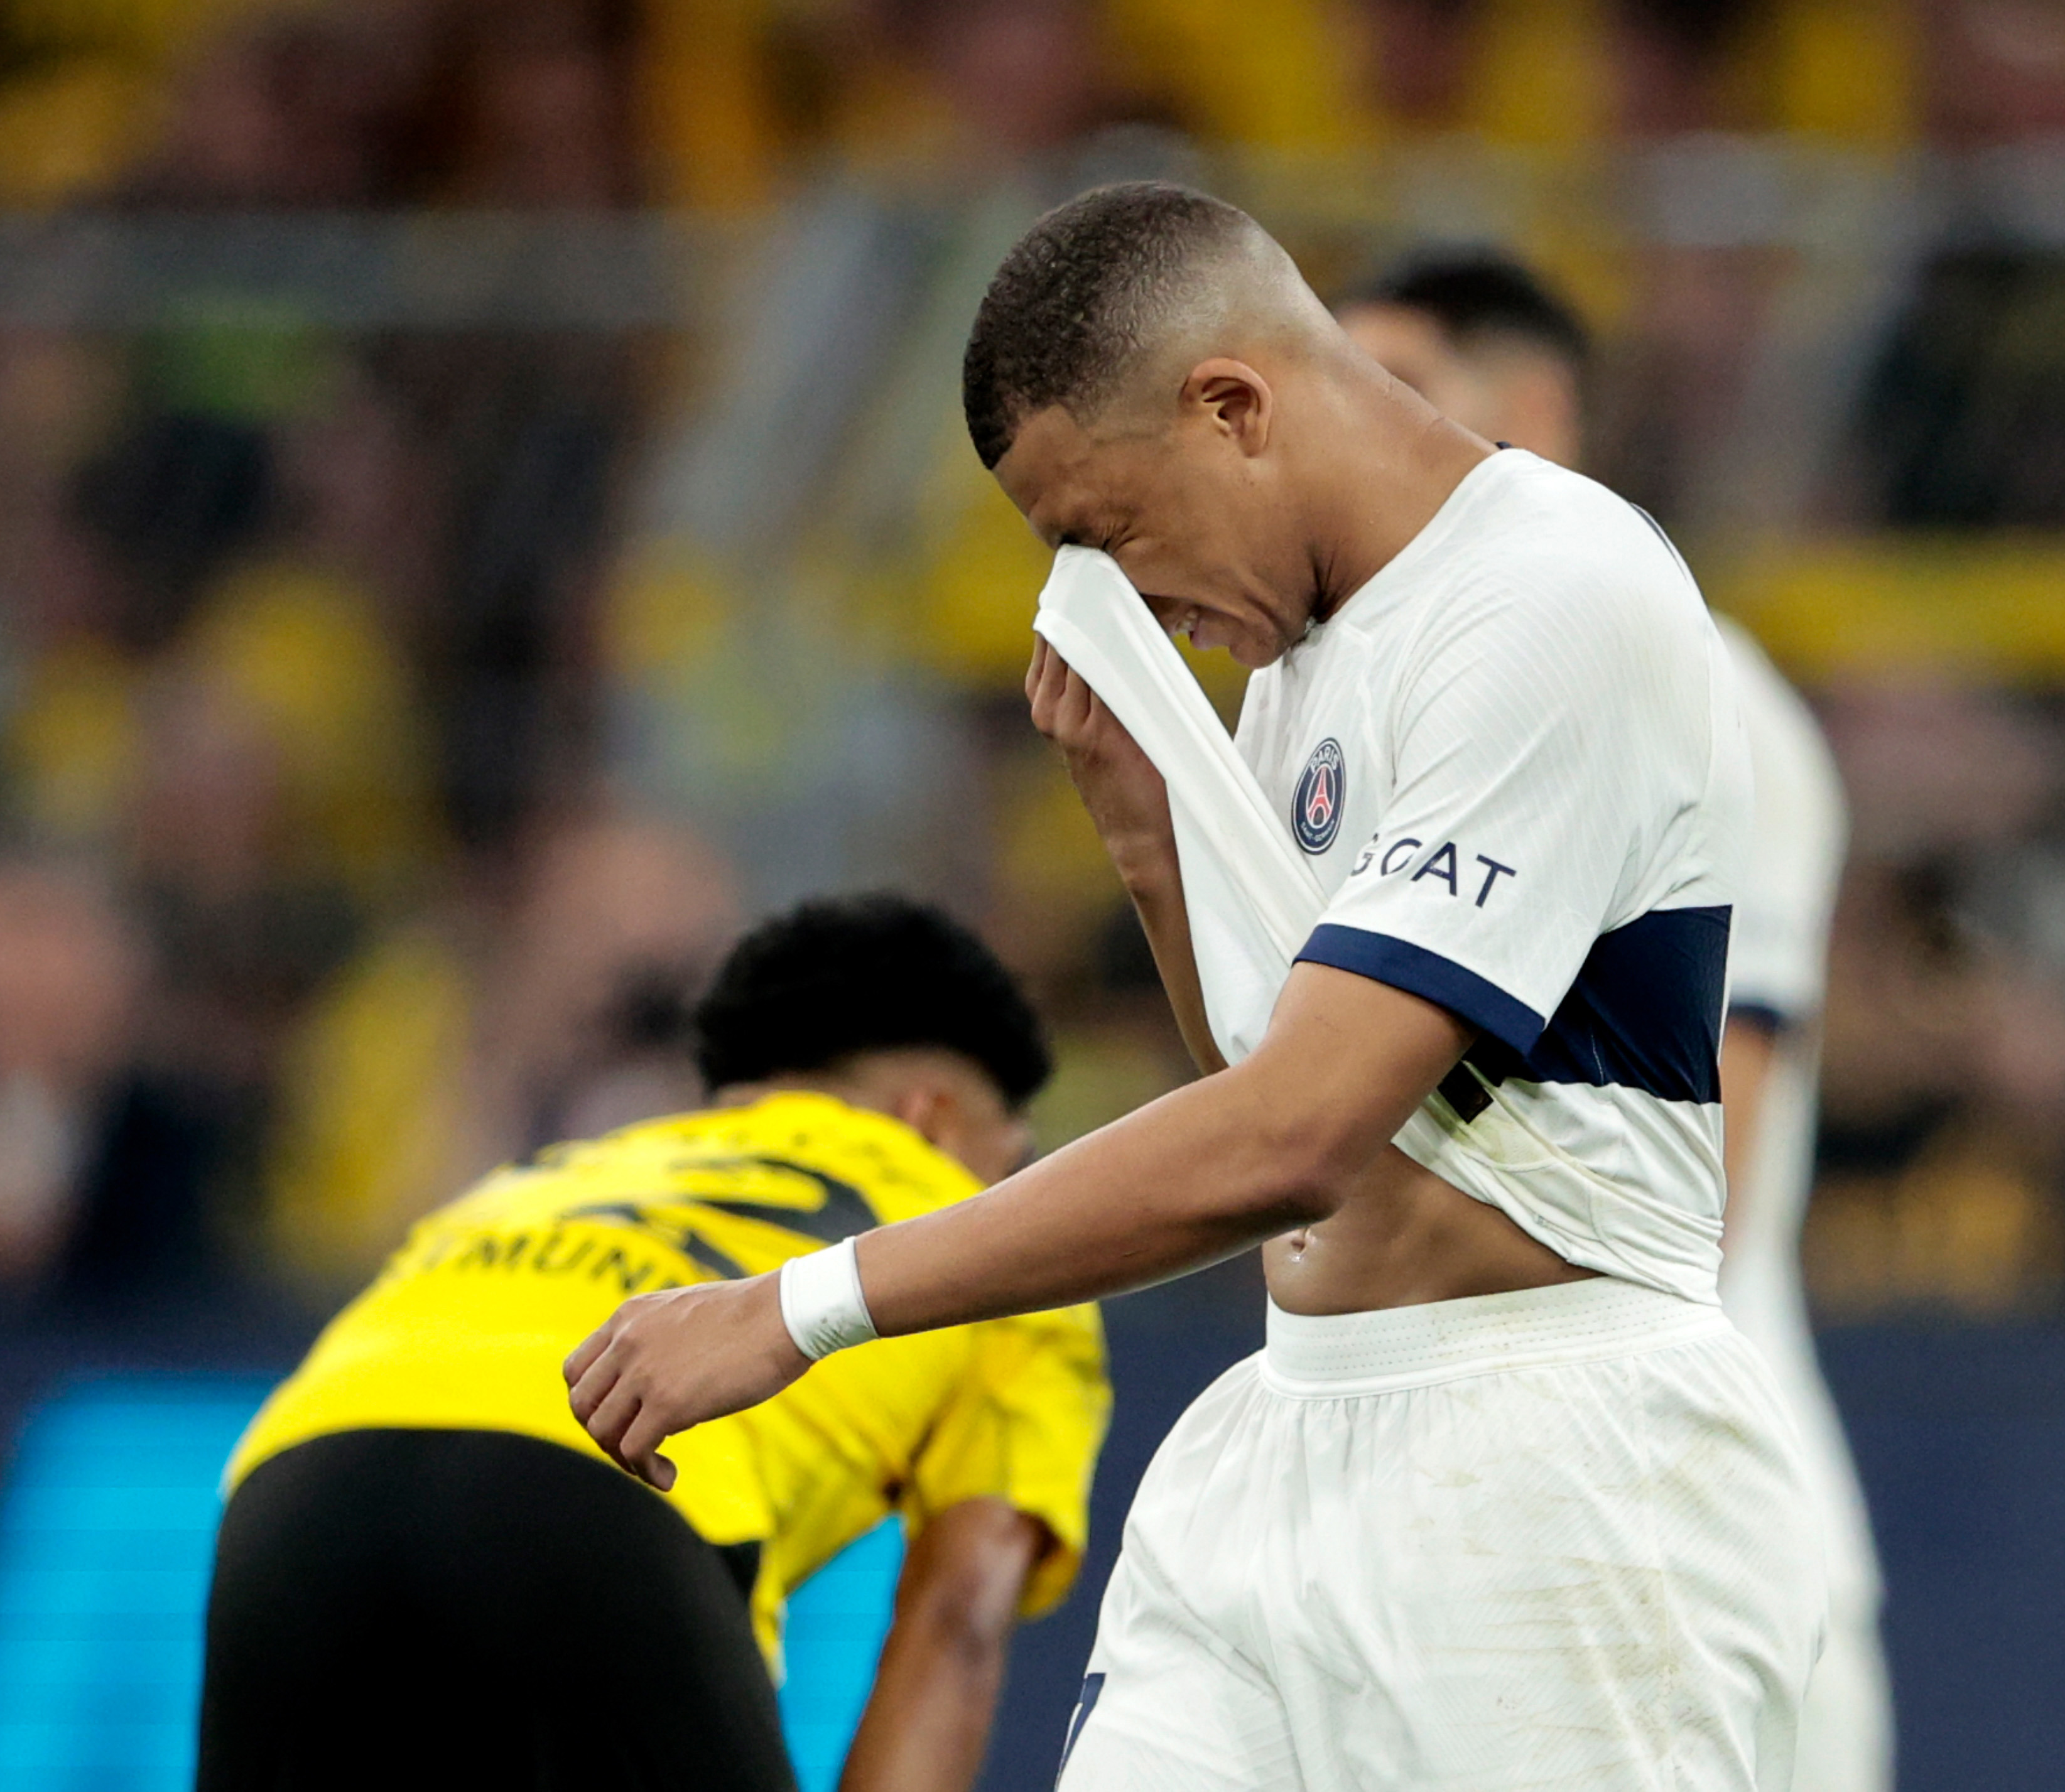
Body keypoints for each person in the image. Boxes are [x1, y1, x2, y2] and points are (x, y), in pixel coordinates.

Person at [566, 182, 1821, 1791]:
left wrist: (805, 1306)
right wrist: (1155, 847)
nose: (1117, 595)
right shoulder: (1300, 657)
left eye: (1105, 532)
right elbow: (1294, 1099)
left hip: (1560, 1464)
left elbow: (1293, 1132)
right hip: (1290, 1434)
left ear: (1230, 408)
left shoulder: (1548, 595)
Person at [1338, 244, 1892, 1792]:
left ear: (1530, 415)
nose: (1348, 433)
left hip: (1671, 1525)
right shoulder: (1390, 699)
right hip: (1475, 1508)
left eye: (1398, 390)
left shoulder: (1702, 693)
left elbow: (1699, 1149)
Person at [200, 895, 1111, 1792]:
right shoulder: (995, 1244)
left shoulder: (550, 1173)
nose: (1006, 1178)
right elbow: (959, 1611)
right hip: (598, 1505)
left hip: (287, 1503)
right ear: (932, 1115)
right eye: (1009, 1152)